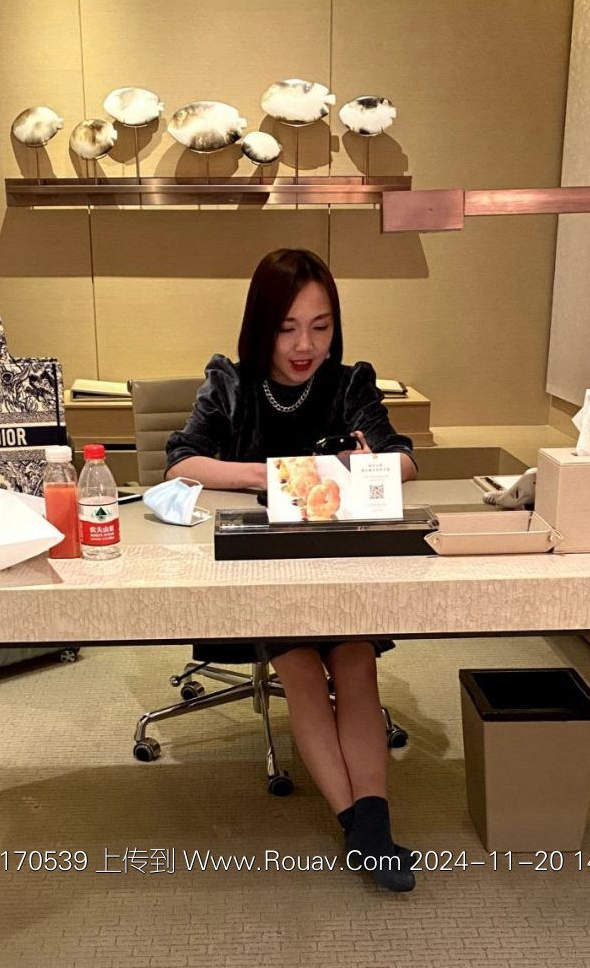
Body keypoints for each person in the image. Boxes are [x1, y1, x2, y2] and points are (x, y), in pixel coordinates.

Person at [165, 247, 418, 892]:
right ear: (262, 327)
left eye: (320, 326)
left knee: (355, 661)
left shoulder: (350, 383)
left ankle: (372, 821)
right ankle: (360, 828)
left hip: (336, 563)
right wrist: (274, 476)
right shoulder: (231, 383)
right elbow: (182, 463)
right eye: (287, 328)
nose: (305, 345)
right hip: (262, 566)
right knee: (302, 668)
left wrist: (362, 466)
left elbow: (404, 460)